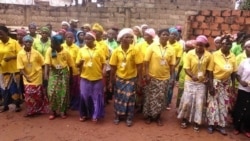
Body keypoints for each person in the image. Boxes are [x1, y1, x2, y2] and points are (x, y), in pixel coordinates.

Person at [177, 35, 212, 131]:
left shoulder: (209, 55)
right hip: (190, 81)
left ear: (204, 45)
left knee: (199, 102)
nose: (199, 47)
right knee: (187, 101)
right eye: (197, 45)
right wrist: (192, 76)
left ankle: (197, 121)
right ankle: (185, 119)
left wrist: (207, 78)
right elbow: (186, 68)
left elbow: (209, 70)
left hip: (201, 83)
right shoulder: (190, 54)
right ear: (195, 45)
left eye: (201, 45)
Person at [109, 28, 143, 127]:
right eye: (127, 37)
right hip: (119, 78)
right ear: (121, 39)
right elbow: (113, 67)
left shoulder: (135, 50)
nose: (129, 39)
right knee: (118, 98)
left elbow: (139, 65)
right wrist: (111, 81)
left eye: (131, 37)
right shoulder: (116, 51)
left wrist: (140, 79)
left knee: (130, 99)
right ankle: (117, 116)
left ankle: (129, 117)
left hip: (131, 78)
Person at [143, 29, 175, 126]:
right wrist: (147, 74)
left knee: (161, 99)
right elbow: (146, 62)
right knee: (150, 97)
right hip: (152, 77)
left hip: (164, 78)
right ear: (159, 35)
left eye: (167, 35)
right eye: (163, 34)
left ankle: (157, 117)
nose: (165, 36)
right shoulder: (152, 47)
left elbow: (172, 64)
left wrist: (171, 77)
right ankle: (148, 116)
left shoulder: (171, 49)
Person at [206, 35, 237, 135]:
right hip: (215, 82)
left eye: (229, 44)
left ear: (231, 46)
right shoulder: (214, 55)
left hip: (226, 84)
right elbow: (210, 72)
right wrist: (210, 85)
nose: (227, 45)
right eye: (224, 44)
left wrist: (232, 85)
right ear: (221, 44)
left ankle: (221, 125)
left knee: (224, 105)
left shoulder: (233, 56)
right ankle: (211, 124)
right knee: (213, 104)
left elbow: (233, 72)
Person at [76, 31, 105, 122]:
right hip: (85, 77)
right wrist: (80, 63)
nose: (86, 41)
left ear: (93, 39)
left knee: (96, 97)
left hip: (97, 77)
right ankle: (84, 114)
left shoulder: (99, 50)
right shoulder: (81, 50)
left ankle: (95, 114)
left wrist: (102, 73)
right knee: (84, 96)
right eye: (85, 39)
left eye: (89, 39)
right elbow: (77, 64)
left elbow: (104, 63)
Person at [17, 35, 49, 117]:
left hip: (37, 75)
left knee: (37, 94)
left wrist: (44, 74)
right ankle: (30, 111)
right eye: (26, 42)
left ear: (32, 43)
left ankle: (39, 109)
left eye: (30, 42)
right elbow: (20, 68)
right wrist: (26, 76)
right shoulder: (20, 54)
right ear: (23, 42)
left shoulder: (36, 53)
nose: (28, 43)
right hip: (26, 76)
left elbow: (43, 63)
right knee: (28, 94)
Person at [44, 35, 74, 120]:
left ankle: (63, 111)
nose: (51, 45)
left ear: (59, 44)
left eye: (53, 43)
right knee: (52, 92)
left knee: (63, 92)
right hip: (53, 72)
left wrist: (71, 77)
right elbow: (46, 63)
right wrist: (46, 76)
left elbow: (71, 65)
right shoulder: (50, 50)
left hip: (64, 72)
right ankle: (53, 111)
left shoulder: (66, 52)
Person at [0, 25, 22, 112]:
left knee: (15, 88)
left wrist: (11, 57)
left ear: (7, 33)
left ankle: (17, 105)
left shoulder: (14, 43)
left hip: (14, 70)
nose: (0, 36)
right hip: (3, 70)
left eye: (1, 34)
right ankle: (5, 105)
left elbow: (21, 54)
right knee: (4, 89)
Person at [135, 28, 156, 113]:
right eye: (144, 34)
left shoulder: (156, 45)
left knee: (149, 90)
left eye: (146, 35)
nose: (144, 36)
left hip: (151, 72)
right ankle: (139, 106)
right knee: (140, 89)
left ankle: (146, 106)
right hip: (141, 71)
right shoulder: (140, 45)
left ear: (151, 36)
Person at [233, 40, 250, 138]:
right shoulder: (244, 62)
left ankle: (247, 128)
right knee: (240, 107)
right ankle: (237, 127)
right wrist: (241, 82)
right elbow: (237, 75)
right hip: (243, 89)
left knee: (249, 110)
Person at [62, 32, 80, 110]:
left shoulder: (76, 48)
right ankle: (65, 103)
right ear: (65, 38)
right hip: (64, 71)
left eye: (71, 37)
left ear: (73, 39)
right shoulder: (61, 47)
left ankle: (74, 104)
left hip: (75, 72)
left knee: (74, 88)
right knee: (65, 88)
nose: (69, 39)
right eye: (67, 37)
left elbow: (78, 60)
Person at [166, 27, 183, 110]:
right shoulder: (165, 43)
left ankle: (168, 102)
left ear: (177, 37)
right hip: (163, 69)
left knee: (170, 86)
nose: (173, 36)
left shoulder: (179, 46)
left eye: (175, 35)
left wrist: (172, 67)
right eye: (171, 34)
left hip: (173, 69)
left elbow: (178, 58)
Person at [176, 40, 196, 108]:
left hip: (191, 78)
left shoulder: (194, 56)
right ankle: (178, 107)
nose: (186, 49)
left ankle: (186, 108)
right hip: (182, 76)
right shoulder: (184, 54)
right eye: (186, 47)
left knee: (188, 94)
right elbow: (181, 65)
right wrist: (177, 74)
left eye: (188, 48)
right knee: (180, 92)